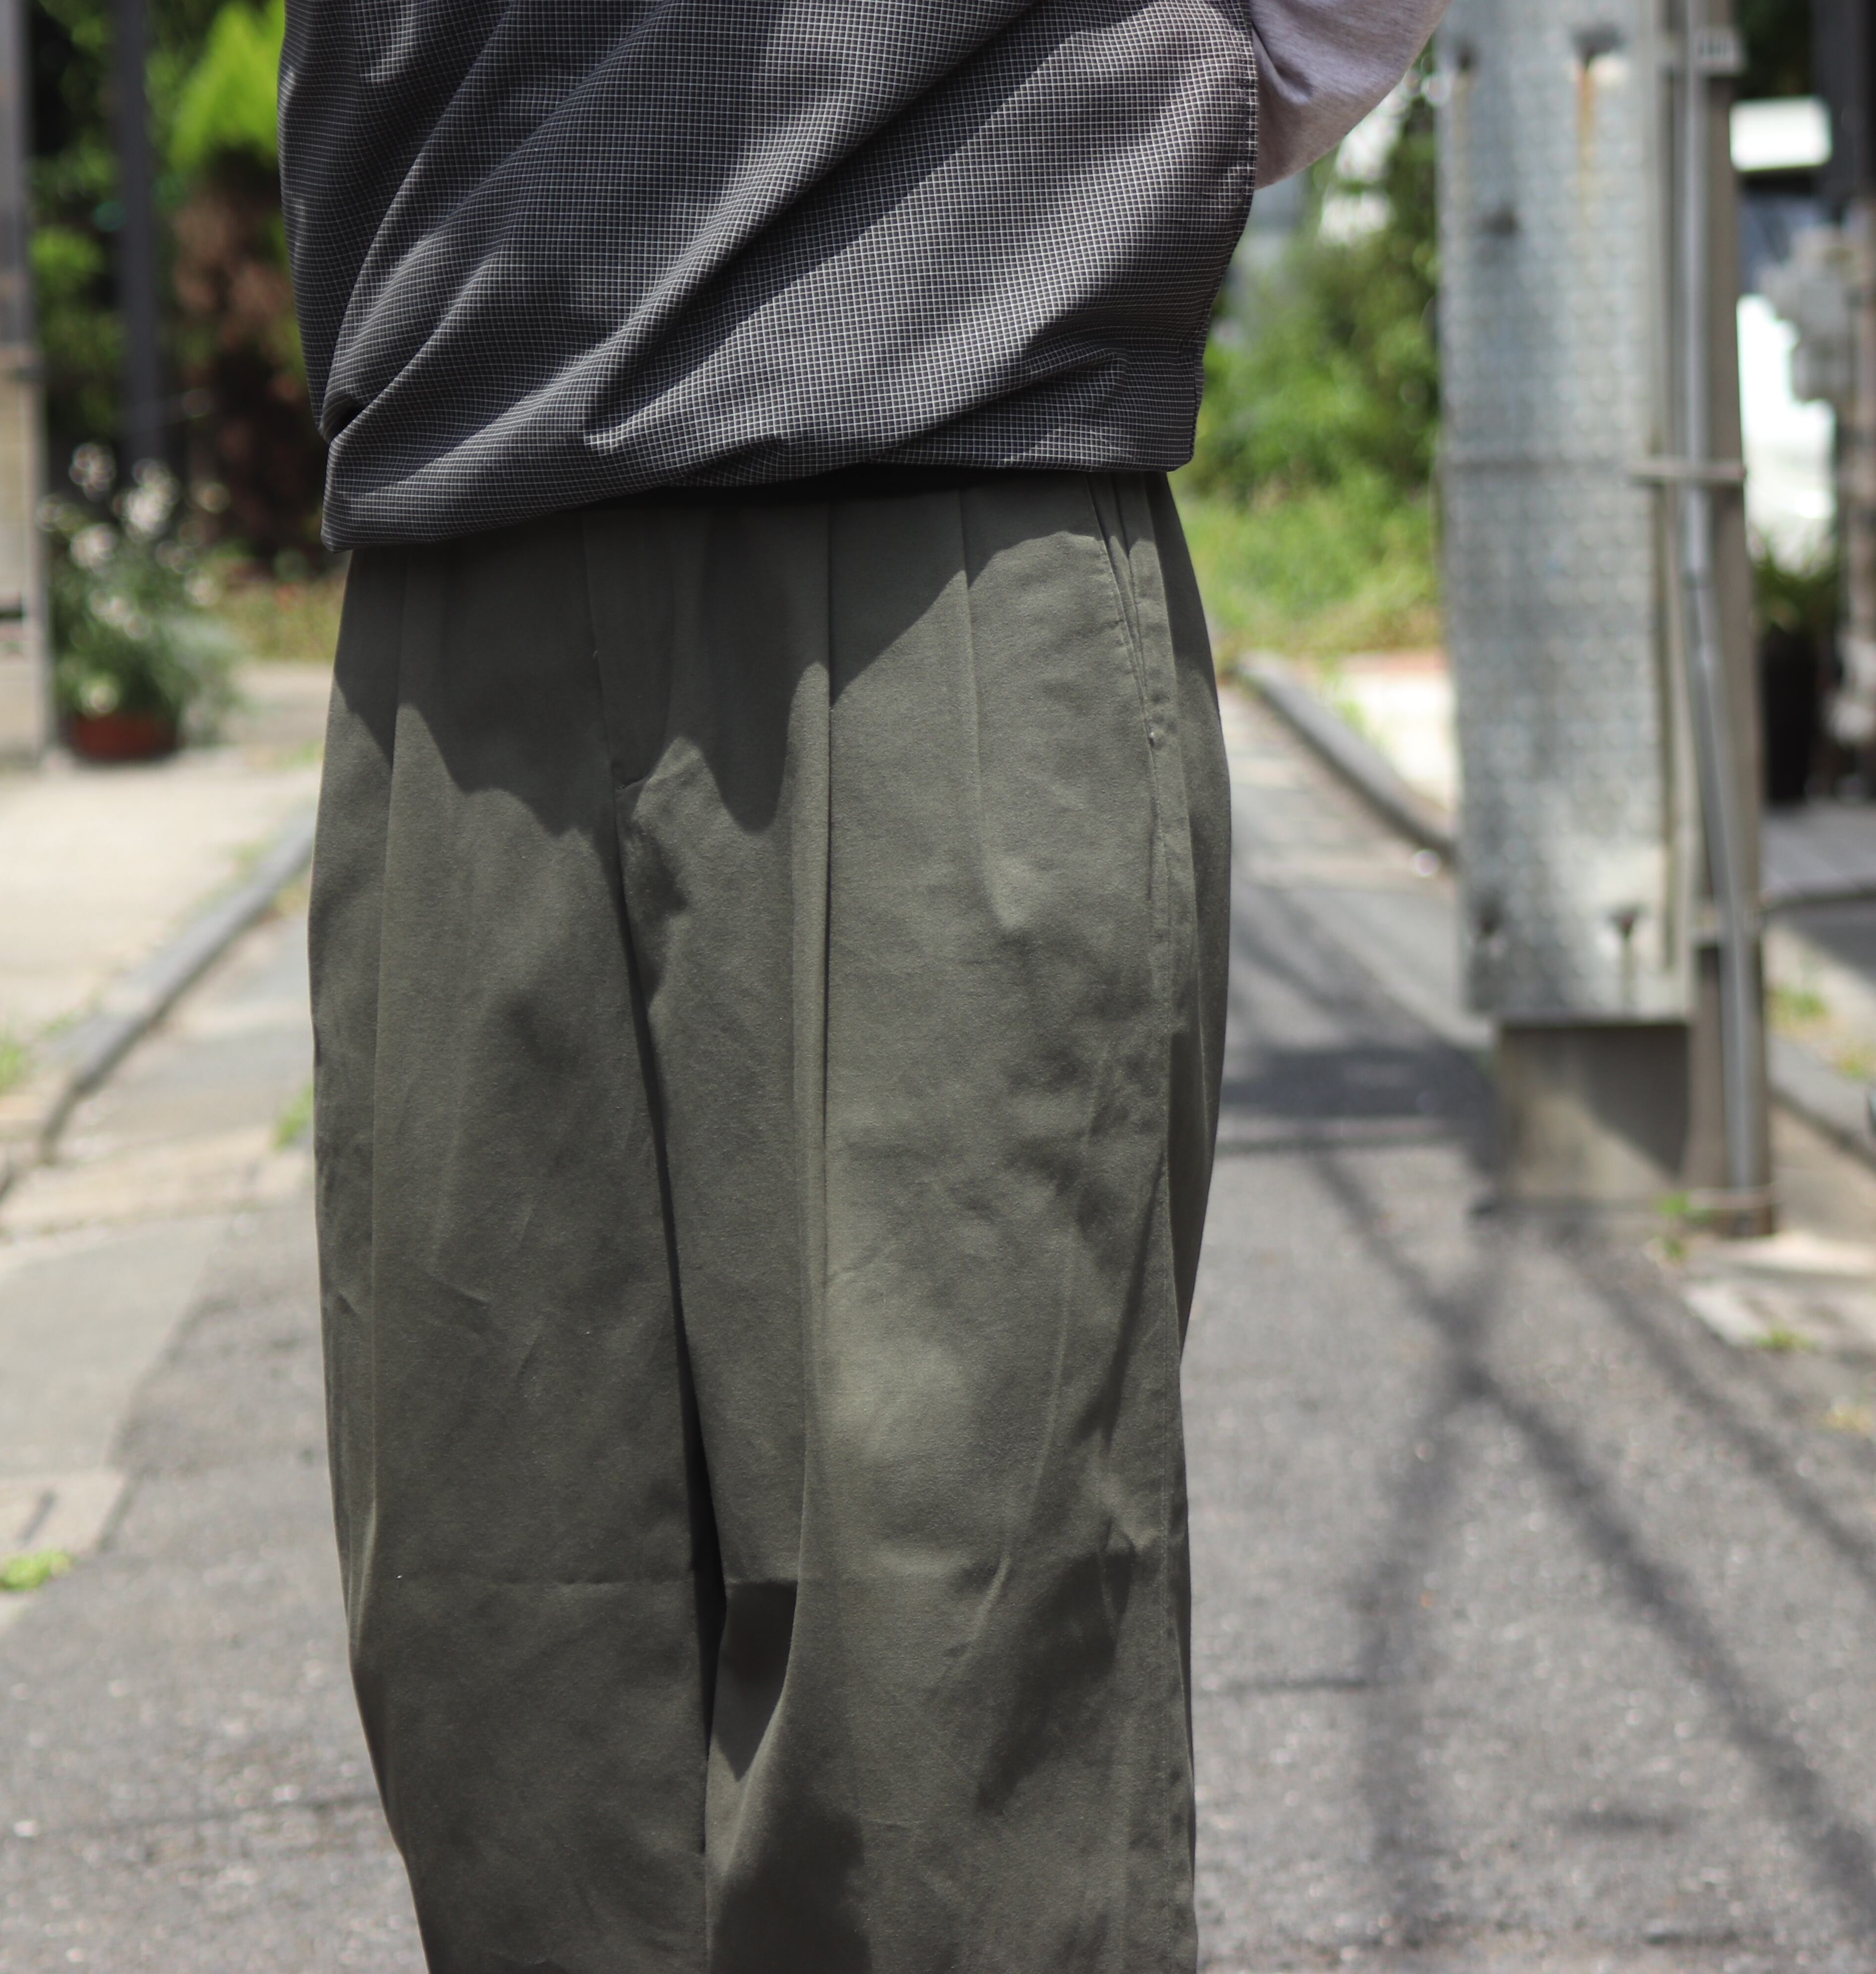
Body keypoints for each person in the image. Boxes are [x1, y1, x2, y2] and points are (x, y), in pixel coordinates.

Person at [280, 3, 1447, 1967]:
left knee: (948, 1694)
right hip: (457, 509)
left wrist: (1117, 121)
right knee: (503, 1681)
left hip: (952, 463)